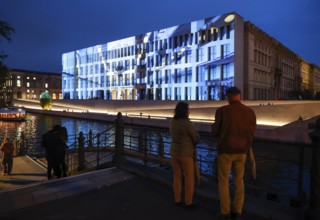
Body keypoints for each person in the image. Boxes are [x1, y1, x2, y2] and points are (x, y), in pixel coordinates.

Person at [211, 87, 256, 220]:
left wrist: (214, 128)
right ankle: (237, 210)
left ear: (229, 97)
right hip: (242, 151)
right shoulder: (249, 111)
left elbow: (215, 131)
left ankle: (225, 212)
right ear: (239, 96)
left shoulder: (223, 111)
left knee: (223, 181)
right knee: (239, 180)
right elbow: (252, 132)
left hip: (225, 150)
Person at [169, 101, 200, 210]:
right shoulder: (187, 123)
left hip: (174, 152)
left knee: (177, 176)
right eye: (188, 109)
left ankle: (177, 200)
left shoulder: (173, 122)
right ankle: (188, 202)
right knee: (189, 178)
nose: (190, 110)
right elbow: (196, 138)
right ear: (185, 111)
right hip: (186, 153)